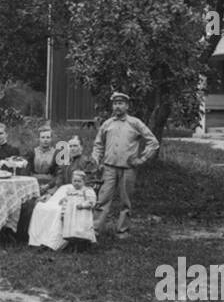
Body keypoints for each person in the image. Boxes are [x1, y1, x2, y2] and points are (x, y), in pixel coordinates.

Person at [91, 91, 160, 240]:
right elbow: (98, 144)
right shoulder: (107, 124)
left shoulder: (135, 123)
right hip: (109, 168)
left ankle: (122, 231)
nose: (117, 106)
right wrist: (96, 160)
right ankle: (94, 230)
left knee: (125, 201)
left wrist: (142, 159)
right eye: (115, 103)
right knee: (102, 200)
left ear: (127, 106)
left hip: (128, 169)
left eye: (121, 103)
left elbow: (153, 142)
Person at [27, 169, 98, 252]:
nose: (76, 183)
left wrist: (82, 205)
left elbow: (91, 202)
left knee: (80, 229)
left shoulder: (86, 190)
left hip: (81, 213)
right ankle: (70, 245)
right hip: (72, 213)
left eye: (79, 181)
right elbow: (69, 197)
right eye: (74, 181)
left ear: (83, 182)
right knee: (71, 229)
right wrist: (63, 200)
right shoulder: (71, 190)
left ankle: (81, 246)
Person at [18, 125, 63, 238]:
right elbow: (26, 172)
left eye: (48, 137)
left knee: (49, 206)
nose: (45, 140)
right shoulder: (32, 152)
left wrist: (48, 186)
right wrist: (33, 185)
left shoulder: (57, 153)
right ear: (39, 139)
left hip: (51, 185)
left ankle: (46, 236)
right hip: (34, 184)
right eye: (43, 137)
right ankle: (25, 235)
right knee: (28, 205)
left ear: (51, 139)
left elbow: (59, 174)